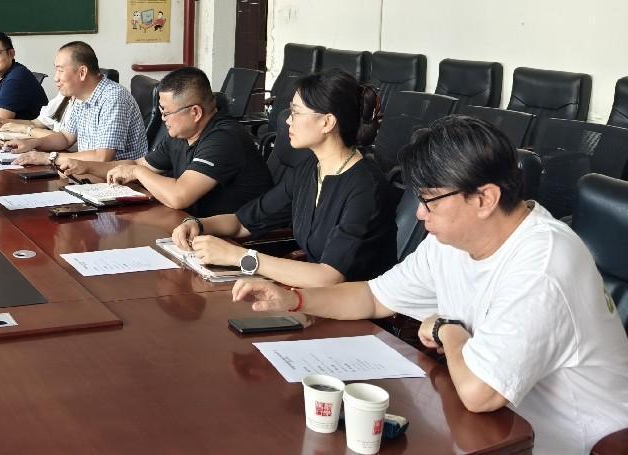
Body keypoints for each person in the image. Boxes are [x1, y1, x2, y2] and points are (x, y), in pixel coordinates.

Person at [233, 116, 628, 454]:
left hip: (569, 442)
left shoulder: (542, 264)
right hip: (488, 428)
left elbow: (480, 393)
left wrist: (447, 330)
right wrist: (293, 299)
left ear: (485, 199)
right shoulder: (452, 242)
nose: (420, 214)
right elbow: (372, 296)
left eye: (431, 200)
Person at [172, 68, 396, 286]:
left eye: (296, 112)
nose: (288, 120)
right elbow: (242, 223)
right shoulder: (309, 169)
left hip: (355, 305)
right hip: (312, 295)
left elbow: (328, 277)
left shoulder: (366, 186)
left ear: (327, 122)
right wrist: (198, 224)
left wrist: (239, 256)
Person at [58, 67, 271, 217]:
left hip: (234, 240)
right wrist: (86, 167)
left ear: (195, 112)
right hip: (191, 225)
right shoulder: (181, 135)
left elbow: (179, 196)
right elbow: (139, 164)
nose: (163, 119)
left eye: (167, 113)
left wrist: (137, 172)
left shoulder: (224, 139)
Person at [3, 41, 146, 165]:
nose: (56, 78)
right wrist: (32, 143)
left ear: (82, 72)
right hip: (89, 172)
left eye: (60, 70)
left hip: (119, 180)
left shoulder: (113, 98)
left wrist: (49, 158)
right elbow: (66, 138)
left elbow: (102, 158)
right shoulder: (79, 95)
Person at [0, 92, 73, 141]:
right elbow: (37, 123)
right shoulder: (63, 95)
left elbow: (64, 139)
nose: (56, 78)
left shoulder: (78, 104)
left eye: (61, 70)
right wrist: (3, 121)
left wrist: (24, 129)